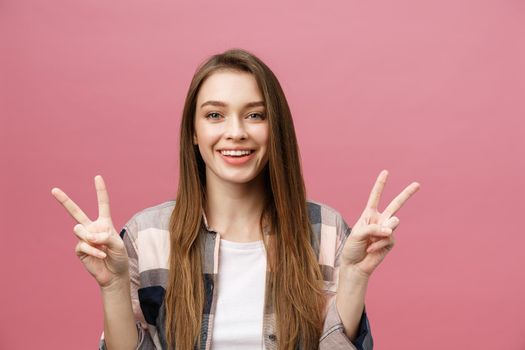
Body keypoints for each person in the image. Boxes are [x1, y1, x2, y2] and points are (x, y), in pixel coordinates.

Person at [51, 48, 420, 350]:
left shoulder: (326, 231)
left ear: (275, 129)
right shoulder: (148, 235)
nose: (236, 132)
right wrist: (113, 287)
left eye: (255, 115)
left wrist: (355, 277)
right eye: (215, 115)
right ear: (193, 133)